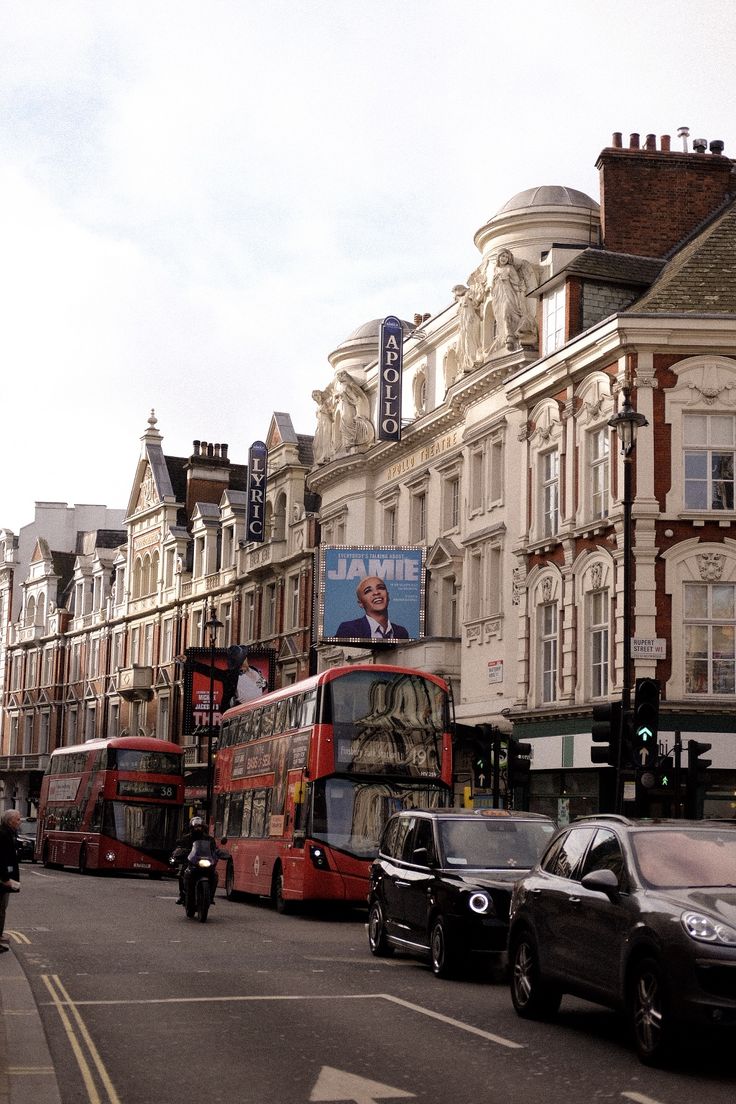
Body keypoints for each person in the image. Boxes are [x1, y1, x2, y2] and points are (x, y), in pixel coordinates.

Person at [334, 576, 410, 640]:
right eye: (368, 591)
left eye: (380, 588)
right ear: (360, 603)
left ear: (388, 595)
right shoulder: (349, 629)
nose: (376, 593)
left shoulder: (401, 632)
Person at [172, 815, 222, 905]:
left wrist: (218, 853)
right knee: (183, 872)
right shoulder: (186, 838)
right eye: (196, 827)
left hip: (205, 861)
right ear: (192, 827)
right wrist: (179, 852)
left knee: (214, 874)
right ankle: (182, 896)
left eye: (199, 827)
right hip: (191, 862)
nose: (198, 829)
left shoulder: (209, 839)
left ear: (203, 827)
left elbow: (214, 849)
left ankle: (210, 896)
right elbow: (180, 846)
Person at [0, 809, 22, 951]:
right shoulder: (3, 835)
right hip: (2, 880)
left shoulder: (9, 833)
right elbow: (1, 858)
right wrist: (5, 878)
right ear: (10, 821)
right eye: (18, 820)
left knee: (2, 908)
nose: (19, 822)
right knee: (1, 909)